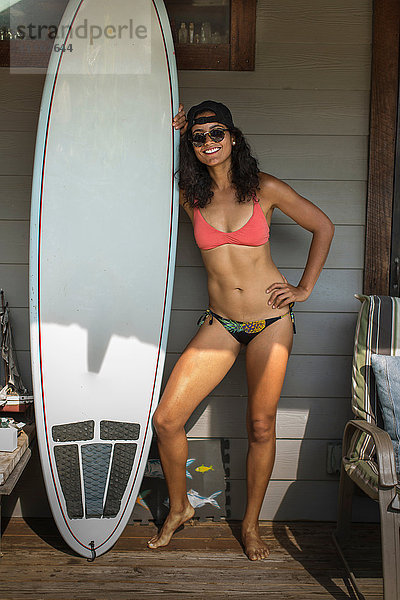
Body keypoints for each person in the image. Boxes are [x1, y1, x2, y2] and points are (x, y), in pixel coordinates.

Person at [147, 101, 334, 560]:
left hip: (271, 321)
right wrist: (172, 125)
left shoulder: (263, 189)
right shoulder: (190, 194)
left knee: (260, 425)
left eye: (216, 134)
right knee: (167, 420)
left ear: (232, 137)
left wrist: (304, 288)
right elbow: (140, 168)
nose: (208, 143)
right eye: (198, 137)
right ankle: (179, 508)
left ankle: (251, 525)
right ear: (189, 146)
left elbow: (323, 226)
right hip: (221, 322)